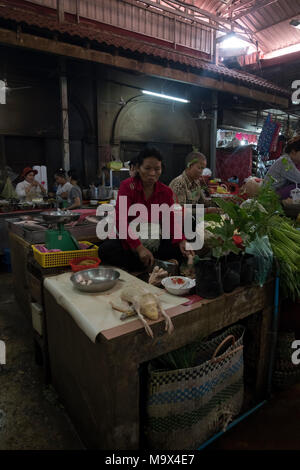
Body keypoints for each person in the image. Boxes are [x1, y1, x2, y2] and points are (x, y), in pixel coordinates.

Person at [98, 147, 194, 271]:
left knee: (184, 245)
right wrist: (139, 248)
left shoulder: (165, 191)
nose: (152, 173)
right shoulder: (127, 186)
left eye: (157, 169)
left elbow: (170, 220)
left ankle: (147, 263)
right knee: (106, 250)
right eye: (147, 168)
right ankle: (155, 263)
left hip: (155, 240)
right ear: (138, 168)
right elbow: (121, 221)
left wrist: (181, 240)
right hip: (132, 241)